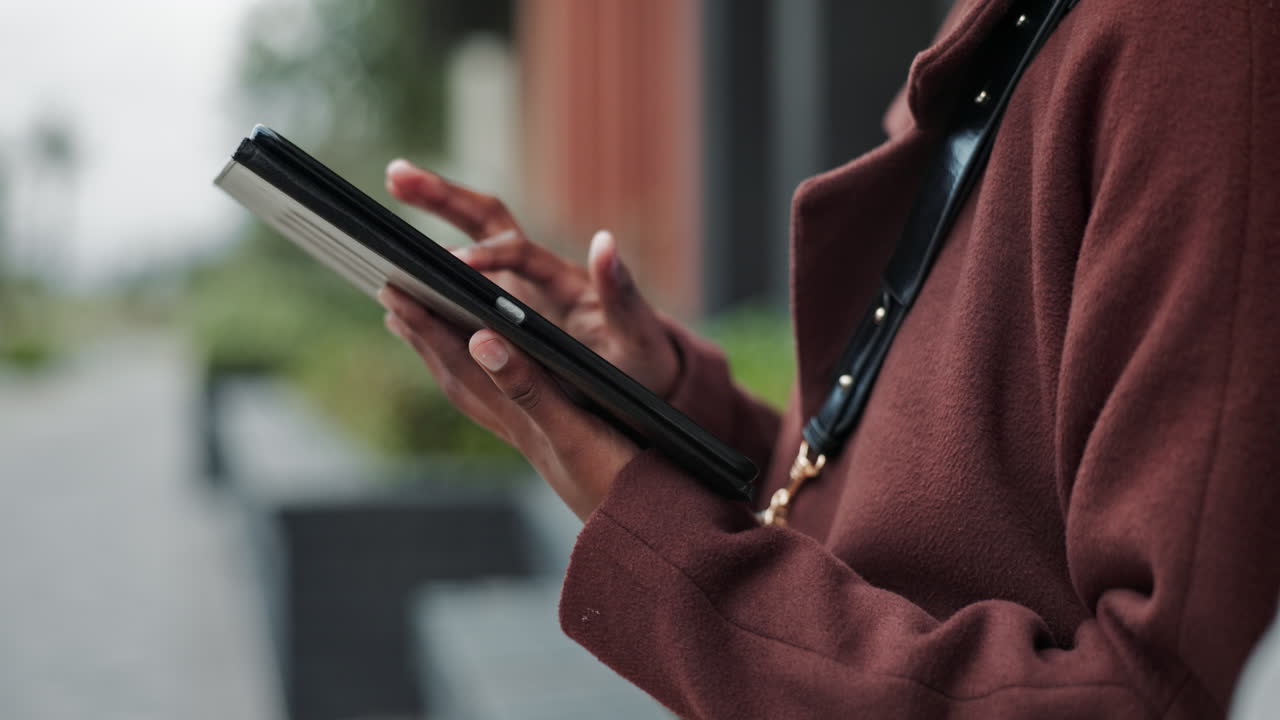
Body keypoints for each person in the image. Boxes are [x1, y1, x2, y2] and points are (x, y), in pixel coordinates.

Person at [376, 0, 1280, 716]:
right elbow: (917, 520)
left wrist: (670, 547)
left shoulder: (1197, 43)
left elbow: (1156, 697)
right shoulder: (1026, 28)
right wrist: (663, 401)